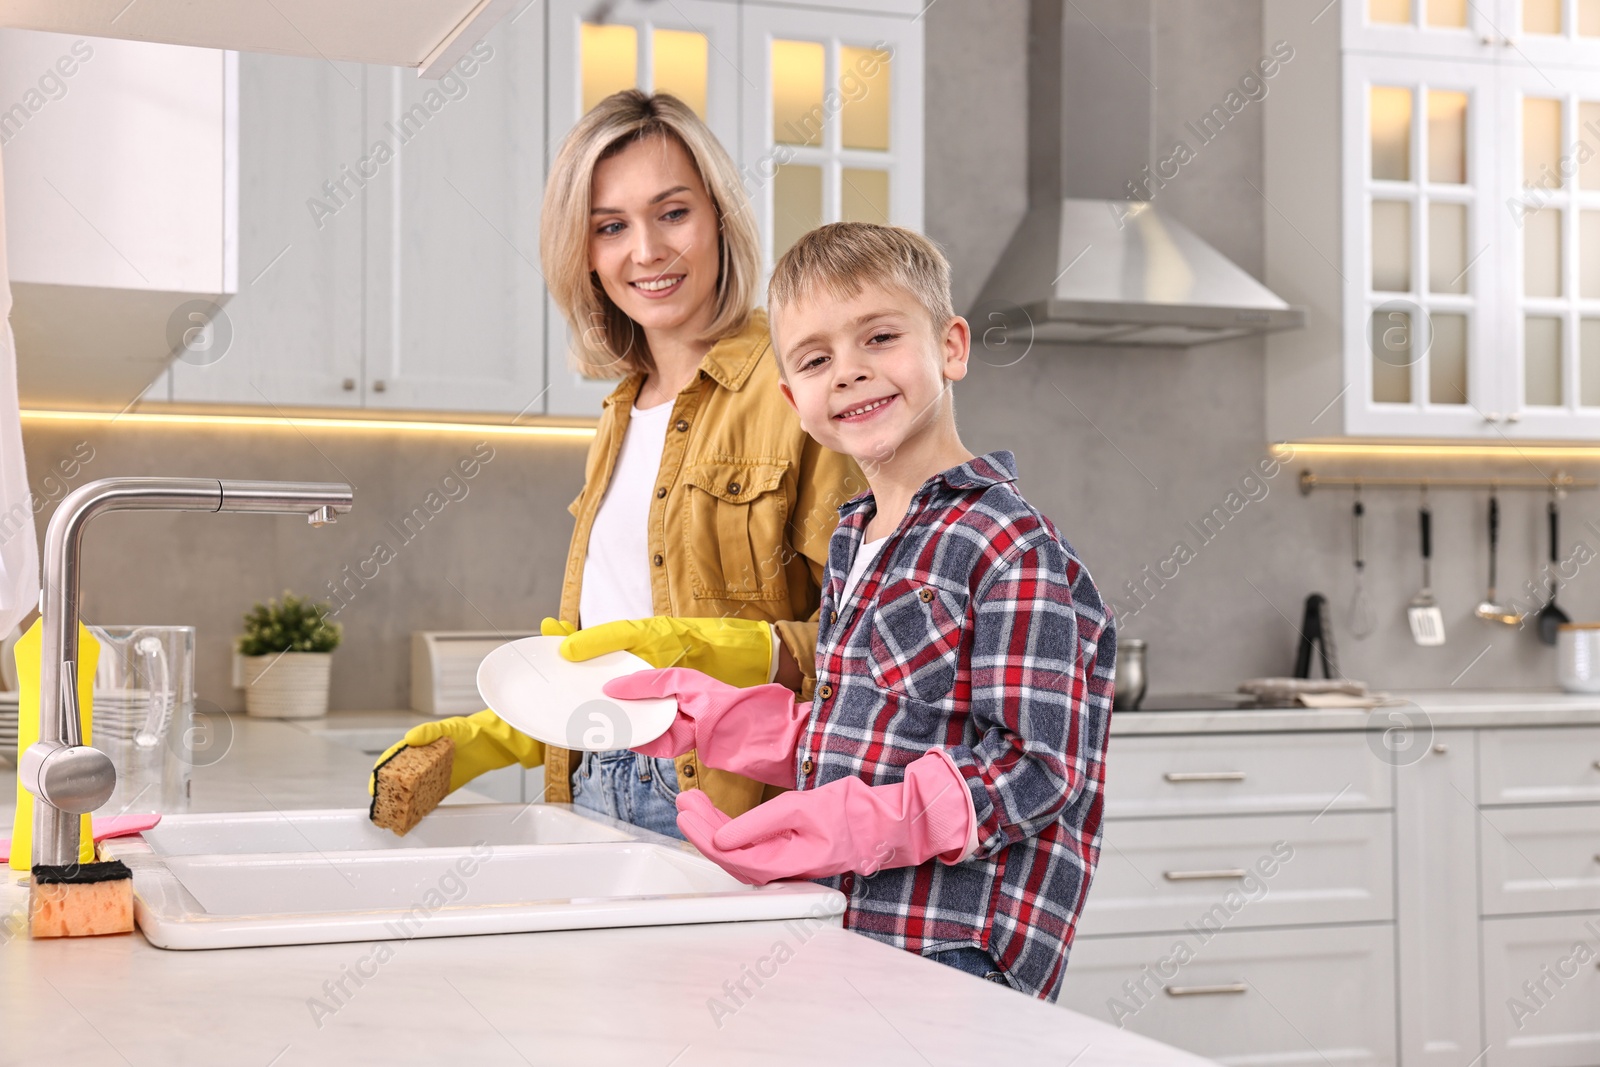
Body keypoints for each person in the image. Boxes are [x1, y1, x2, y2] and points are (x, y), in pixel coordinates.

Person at [601, 221, 1116, 1001]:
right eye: (815, 359)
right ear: (792, 398)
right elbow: (865, 728)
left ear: (951, 347)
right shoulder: (856, 538)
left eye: (879, 336)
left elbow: (1041, 768)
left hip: (958, 956)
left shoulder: (1008, 547)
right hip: (857, 934)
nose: (849, 372)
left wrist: (870, 822)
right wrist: (736, 725)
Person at [370, 91, 860, 836]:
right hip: (592, 779)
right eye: (610, 226)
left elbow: (878, 646)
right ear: (586, 255)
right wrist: (498, 730)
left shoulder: (798, 382)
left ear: (721, 217)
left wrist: (713, 651)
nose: (646, 251)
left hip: (725, 800)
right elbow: (612, 653)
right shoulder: (619, 413)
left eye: (673, 213)